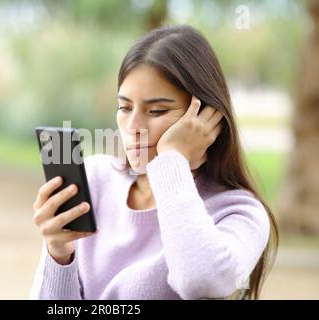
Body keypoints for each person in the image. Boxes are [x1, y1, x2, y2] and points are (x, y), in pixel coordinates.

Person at [29, 24, 278, 300]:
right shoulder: (94, 179)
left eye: (156, 110)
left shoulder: (240, 211)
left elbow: (199, 281)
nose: (133, 126)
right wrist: (58, 253)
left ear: (207, 118)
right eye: (124, 107)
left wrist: (173, 160)